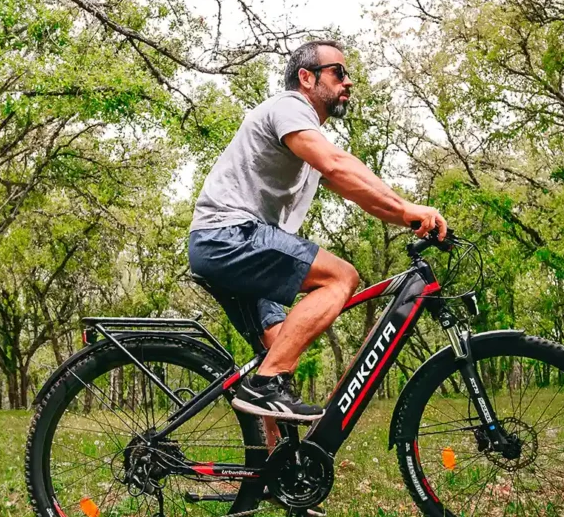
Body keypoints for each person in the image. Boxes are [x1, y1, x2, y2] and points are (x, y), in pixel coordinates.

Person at [189, 39, 447, 421]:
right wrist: (407, 207)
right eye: (338, 72)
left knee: (278, 354)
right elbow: (337, 164)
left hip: (228, 244)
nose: (348, 82)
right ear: (306, 77)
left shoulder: (303, 139)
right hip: (228, 235)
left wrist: (406, 217)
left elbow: (358, 192)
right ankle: (265, 385)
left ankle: (276, 468)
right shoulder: (289, 107)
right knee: (341, 277)